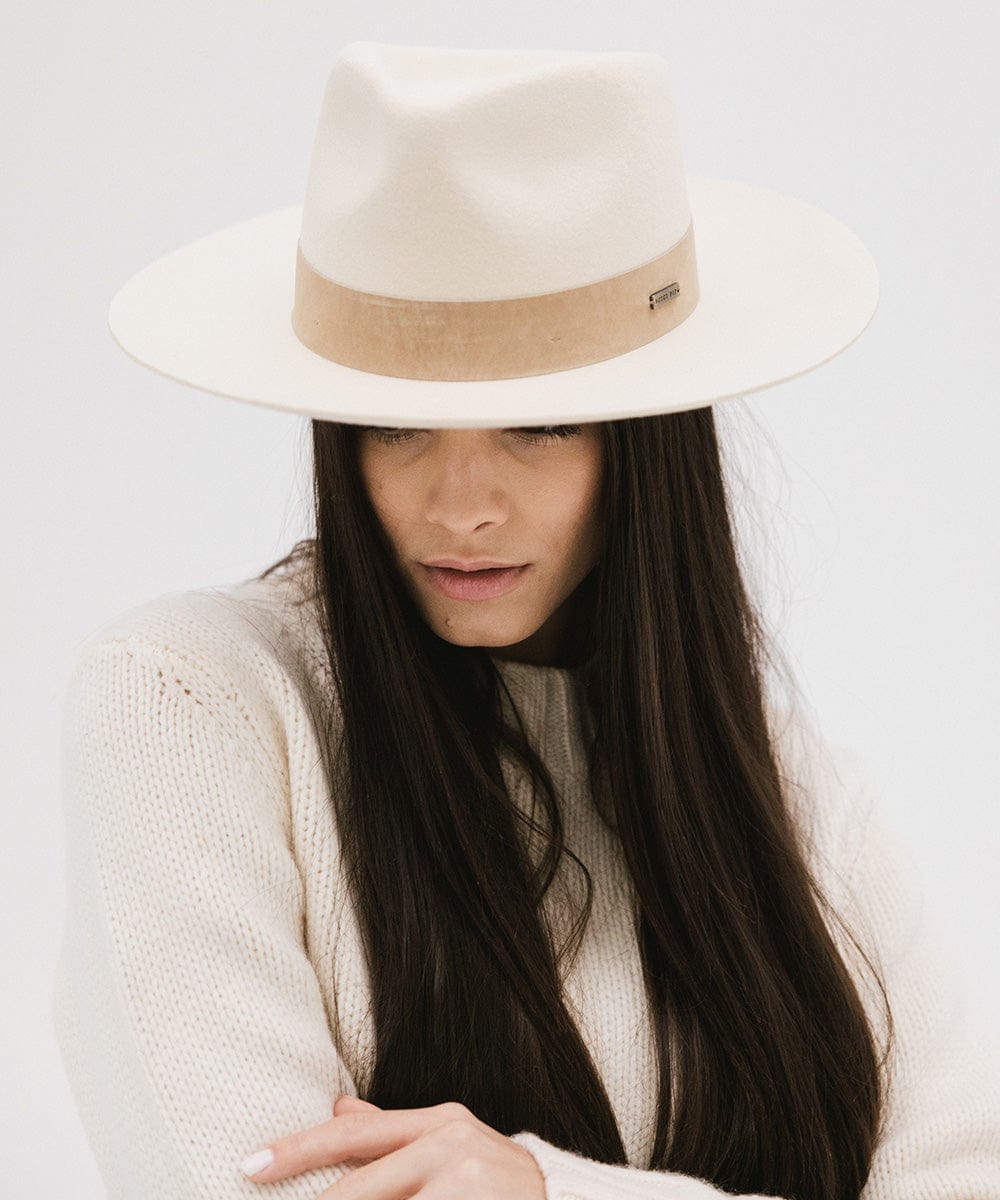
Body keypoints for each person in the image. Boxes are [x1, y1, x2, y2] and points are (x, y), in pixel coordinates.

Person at [52, 39, 1000, 1200]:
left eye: (538, 423)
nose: (460, 508)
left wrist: (548, 1191)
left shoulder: (791, 800)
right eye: (393, 426)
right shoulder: (191, 702)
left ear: (646, 444)